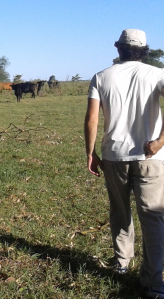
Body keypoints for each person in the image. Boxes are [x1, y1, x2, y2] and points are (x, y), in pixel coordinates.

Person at [84, 29, 164, 298]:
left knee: (120, 211)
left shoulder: (101, 76)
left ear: (118, 49)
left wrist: (90, 153)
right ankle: (153, 281)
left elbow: (92, 119)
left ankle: (121, 263)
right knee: (153, 218)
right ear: (144, 50)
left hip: (114, 155)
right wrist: (160, 141)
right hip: (151, 158)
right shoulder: (157, 74)